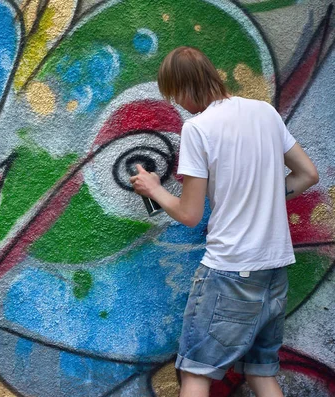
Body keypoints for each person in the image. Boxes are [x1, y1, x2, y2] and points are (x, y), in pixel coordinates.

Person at [130, 46, 319, 397]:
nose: (179, 104)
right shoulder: (265, 112)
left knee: (195, 374)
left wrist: (154, 189)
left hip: (231, 269)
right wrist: (264, 195)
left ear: (185, 88)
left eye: (175, 95)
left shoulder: (198, 129)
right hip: (274, 269)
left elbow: (189, 214)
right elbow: (308, 174)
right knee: (262, 373)